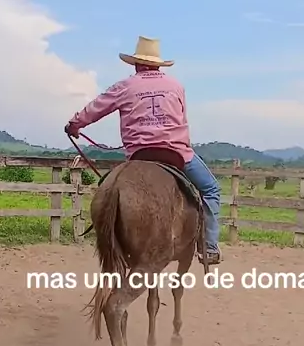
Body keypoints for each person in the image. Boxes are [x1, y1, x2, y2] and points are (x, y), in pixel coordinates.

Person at [64, 36, 222, 265]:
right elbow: (182, 119)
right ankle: (209, 247)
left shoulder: (124, 87)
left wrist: (75, 125)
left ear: (136, 64)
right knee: (211, 189)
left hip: (139, 154)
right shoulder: (176, 86)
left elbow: (96, 108)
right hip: (176, 153)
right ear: (158, 64)